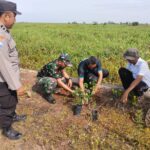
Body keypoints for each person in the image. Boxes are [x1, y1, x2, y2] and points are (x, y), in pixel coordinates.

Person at [0, 0, 26, 140]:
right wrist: (16, 85)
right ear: (6, 16)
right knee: (7, 104)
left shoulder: (3, 32)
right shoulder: (0, 35)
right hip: (3, 80)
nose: (15, 20)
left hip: (7, 78)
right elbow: (2, 63)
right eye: (14, 16)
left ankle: (13, 115)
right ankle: (7, 128)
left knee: (12, 100)